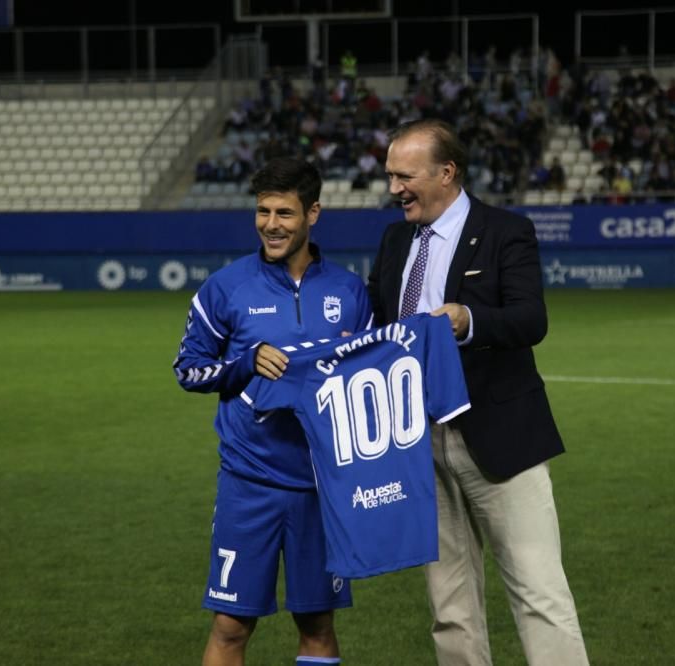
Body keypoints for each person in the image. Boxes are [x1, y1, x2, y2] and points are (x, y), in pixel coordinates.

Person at [367, 119, 589, 666]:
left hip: (499, 438)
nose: (394, 188)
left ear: (446, 173)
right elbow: (380, 323)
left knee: (539, 595)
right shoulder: (396, 239)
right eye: (390, 175)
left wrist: (468, 319)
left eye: (404, 176)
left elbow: (530, 319)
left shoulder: (505, 230)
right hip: (420, 442)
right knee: (450, 605)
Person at [172, 156, 372, 666]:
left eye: (284, 213)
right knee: (231, 627)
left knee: (318, 624)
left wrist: (356, 359)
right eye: (263, 212)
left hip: (321, 487)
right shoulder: (226, 287)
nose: (271, 225)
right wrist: (244, 365)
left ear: (313, 214)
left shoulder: (350, 291)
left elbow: (371, 384)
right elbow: (188, 370)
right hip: (249, 482)